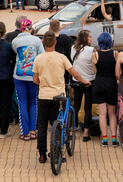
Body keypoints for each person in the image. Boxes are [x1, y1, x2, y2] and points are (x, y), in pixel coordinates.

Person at [33, 30, 90, 164]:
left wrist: (45, 83)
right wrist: (84, 81)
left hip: (43, 96)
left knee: (41, 126)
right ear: (55, 42)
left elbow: (35, 80)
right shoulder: (61, 57)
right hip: (59, 96)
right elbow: (74, 73)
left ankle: (42, 154)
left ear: (43, 43)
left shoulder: (38, 58)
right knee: (58, 125)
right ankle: (57, 151)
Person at [12, 18, 43, 140]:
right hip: (33, 75)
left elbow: (16, 53)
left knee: (22, 104)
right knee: (33, 102)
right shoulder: (36, 40)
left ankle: (25, 133)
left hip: (19, 75)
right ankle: (33, 131)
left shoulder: (15, 41)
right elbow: (41, 55)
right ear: (30, 27)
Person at [92, 32, 118, 147]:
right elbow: (117, 70)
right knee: (112, 114)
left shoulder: (95, 55)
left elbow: (95, 71)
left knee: (102, 114)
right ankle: (114, 138)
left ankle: (104, 139)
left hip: (99, 83)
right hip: (112, 83)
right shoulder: (115, 54)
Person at [70, 30, 95, 142]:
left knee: (76, 105)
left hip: (76, 81)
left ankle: (71, 131)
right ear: (85, 38)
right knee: (87, 107)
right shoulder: (91, 50)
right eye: (90, 36)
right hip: (89, 81)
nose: (91, 38)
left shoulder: (73, 48)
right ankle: (85, 134)